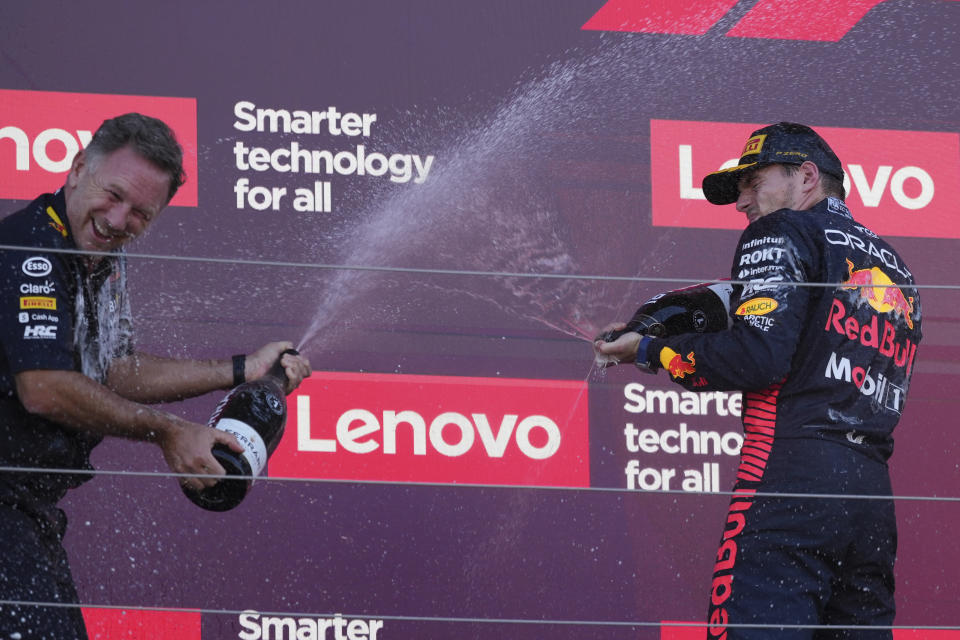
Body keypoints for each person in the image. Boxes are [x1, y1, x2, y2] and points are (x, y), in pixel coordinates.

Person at [595, 122, 921, 639]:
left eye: (754, 181)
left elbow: (759, 357)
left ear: (807, 176)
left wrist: (651, 350)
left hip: (791, 473)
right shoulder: (896, 267)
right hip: (870, 502)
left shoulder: (783, 229)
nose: (743, 201)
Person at [0, 113, 312, 639]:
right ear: (77, 170)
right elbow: (45, 387)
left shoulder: (103, 259)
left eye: (141, 213)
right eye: (113, 194)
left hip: (27, 509)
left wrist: (241, 370)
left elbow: (115, 369)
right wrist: (167, 431)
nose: (119, 220)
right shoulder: (31, 249)